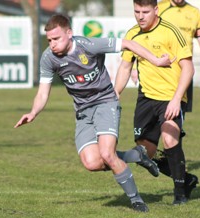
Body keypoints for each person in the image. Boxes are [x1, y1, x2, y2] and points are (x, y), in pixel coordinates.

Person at [14, 14, 172, 212]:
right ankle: (137, 155)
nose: (52, 44)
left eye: (56, 39)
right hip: (82, 111)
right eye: (49, 40)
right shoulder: (48, 58)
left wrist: (156, 61)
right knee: (92, 163)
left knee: (107, 153)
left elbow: (128, 43)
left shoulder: (88, 45)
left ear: (69, 33)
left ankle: (136, 200)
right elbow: (43, 92)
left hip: (106, 103)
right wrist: (33, 112)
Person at [114, 0, 194, 205]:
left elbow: (188, 68)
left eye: (145, 12)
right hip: (146, 98)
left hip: (171, 97)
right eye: (137, 11)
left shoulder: (170, 31)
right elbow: (125, 68)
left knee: (169, 139)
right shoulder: (132, 35)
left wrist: (177, 99)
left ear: (156, 10)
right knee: (144, 153)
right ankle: (187, 179)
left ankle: (179, 194)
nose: (140, 16)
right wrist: (115, 93)